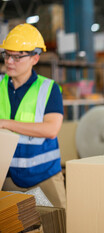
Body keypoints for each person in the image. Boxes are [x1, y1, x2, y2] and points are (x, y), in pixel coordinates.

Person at [0, 23, 65, 208]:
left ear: (35, 58)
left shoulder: (49, 88)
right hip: (8, 176)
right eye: (7, 54)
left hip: (45, 177)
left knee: (58, 228)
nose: (9, 61)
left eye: (17, 57)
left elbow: (51, 129)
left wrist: (6, 123)